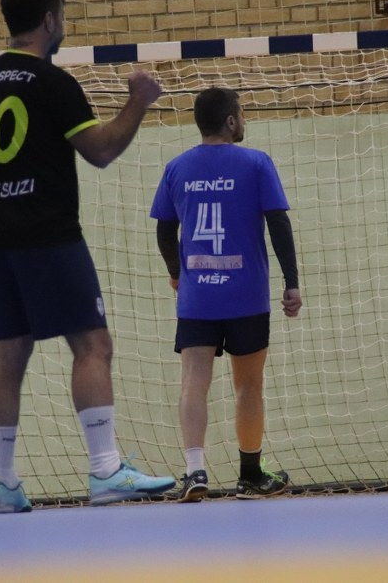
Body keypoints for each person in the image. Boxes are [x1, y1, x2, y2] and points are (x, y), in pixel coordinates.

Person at [0, 0, 175, 513]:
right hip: (48, 234)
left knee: (8, 355)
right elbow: (100, 150)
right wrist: (138, 101)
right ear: (49, 19)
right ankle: (106, 470)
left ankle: (3, 484)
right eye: (61, 16)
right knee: (92, 345)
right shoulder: (51, 81)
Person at [150, 86, 303, 502]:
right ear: (231, 120)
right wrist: (291, 281)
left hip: (198, 296)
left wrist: (177, 274)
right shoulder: (256, 163)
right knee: (248, 386)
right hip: (246, 295)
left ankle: (195, 472)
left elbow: (164, 230)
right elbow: (278, 224)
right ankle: (250, 476)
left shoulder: (177, 167)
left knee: (193, 383)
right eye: (242, 113)